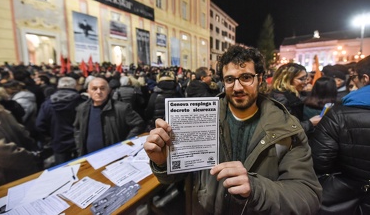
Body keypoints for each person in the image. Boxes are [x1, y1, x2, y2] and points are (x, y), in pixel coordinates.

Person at [144, 45, 322, 214]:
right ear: (223, 82)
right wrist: (163, 162)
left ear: (259, 79)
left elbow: (308, 195)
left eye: (246, 77)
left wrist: (256, 189)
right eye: (230, 79)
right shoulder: (201, 118)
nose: (237, 87)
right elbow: (180, 176)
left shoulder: (286, 127)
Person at [309, 55, 370, 214]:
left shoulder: (338, 115)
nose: (354, 81)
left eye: (355, 77)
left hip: (350, 196)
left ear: (365, 78)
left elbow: (319, 161)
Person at [74, 77, 145, 156]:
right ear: (88, 92)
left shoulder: (121, 108)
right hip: (88, 156)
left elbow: (138, 124)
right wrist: (79, 146)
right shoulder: (82, 108)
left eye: (102, 88)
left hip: (114, 157)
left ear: (108, 90)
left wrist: (125, 144)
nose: (98, 92)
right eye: (94, 89)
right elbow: (77, 129)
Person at [35, 77, 85, 165]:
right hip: (80, 142)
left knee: (63, 172)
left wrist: (52, 134)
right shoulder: (82, 102)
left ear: (58, 86)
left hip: (59, 142)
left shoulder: (47, 104)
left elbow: (40, 125)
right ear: (74, 86)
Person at [0, 101, 41, 186]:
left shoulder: (2, 112)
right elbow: (23, 132)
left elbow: (5, 154)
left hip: (10, 176)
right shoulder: (3, 112)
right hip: (24, 167)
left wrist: (30, 157)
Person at [269, 63, 321, 134]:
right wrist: (310, 123)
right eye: (301, 79)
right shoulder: (281, 98)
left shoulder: (297, 93)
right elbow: (285, 129)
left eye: (306, 78)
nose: (306, 82)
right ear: (287, 80)